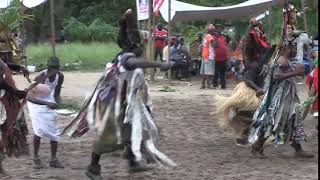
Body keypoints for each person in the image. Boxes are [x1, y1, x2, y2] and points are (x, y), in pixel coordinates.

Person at [61, 9, 175, 180]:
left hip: (121, 102)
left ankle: (133, 163)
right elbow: (133, 63)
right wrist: (159, 64)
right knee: (107, 136)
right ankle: (93, 168)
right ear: (138, 46)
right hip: (109, 104)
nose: (144, 49)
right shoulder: (127, 57)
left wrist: (124, 22)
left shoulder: (125, 52)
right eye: (143, 45)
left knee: (131, 130)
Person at [249, 42, 314, 159]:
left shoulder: (287, 59)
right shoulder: (282, 59)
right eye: (293, 47)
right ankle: (257, 146)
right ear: (287, 49)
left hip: (287, 96)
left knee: (293, 119)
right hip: (279, 97)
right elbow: (276, 76)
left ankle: (297, 148)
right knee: (272, 121)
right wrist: (295, 72)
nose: (295, 50)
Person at [27, 57, 65, 169]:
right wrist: (46, 103)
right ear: (47, 68)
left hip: (48, 101)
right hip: (35, 104)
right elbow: (29, 97)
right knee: (39, 131)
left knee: (54, 132)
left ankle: (53, 159)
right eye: (50, 69)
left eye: (55, 69)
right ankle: (36, 158)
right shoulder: (40, 77)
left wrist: (59, 103)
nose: (52, 71)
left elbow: (57, 94)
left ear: (58, 69)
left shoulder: (60, 76)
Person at [0, 60, 29, 176]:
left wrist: (19, 67)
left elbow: (4, 62)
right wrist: (24, 93)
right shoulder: (1, 81)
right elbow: (14, 92)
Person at [213, 24, 228, 89]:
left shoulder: (224, 37)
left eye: (221, 28)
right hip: (216, 57)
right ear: (216, 29)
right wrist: (217, 37)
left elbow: (225, 46)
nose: (219, 29)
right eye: (218, 28)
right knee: (216, 72)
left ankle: (223, 85)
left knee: (223, 72)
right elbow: (215, 45)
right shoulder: (213, 37)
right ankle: (215, 84)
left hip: (224, 57)